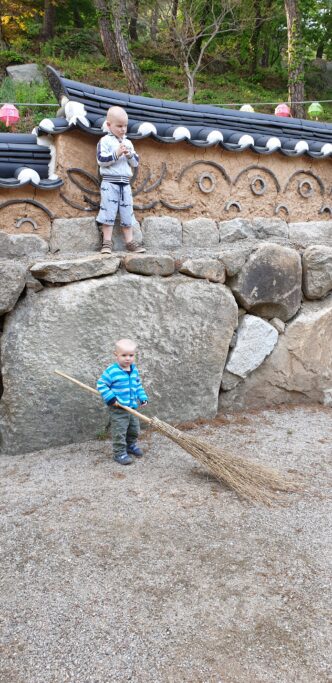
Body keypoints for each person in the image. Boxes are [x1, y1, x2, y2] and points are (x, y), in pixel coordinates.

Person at [96, 105, 146, 254]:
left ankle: (130, 242)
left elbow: (135, 163)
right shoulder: (104, 141)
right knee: (108, 211)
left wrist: (129, 155)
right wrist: (116, 154)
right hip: (109, 183)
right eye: (119, 126)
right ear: (109, 124)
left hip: (125, 183)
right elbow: (101, 160)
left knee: (127, 212)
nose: (123, 129)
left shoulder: (128, 142)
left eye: (125, 126)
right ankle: (106, 242)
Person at [97, 339, 148, 465]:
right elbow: (101, 384)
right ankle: (119, 453)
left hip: (132, 408)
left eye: (131, 355)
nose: (127, 358)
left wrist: (142, 397)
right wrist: (111, 399)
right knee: (119, 431)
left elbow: (138, 385)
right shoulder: (112, 371)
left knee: (134, 429)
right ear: (116, 355)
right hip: (118, 409)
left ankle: (130, 446)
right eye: (124, 355)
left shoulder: (134, 370)